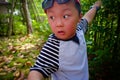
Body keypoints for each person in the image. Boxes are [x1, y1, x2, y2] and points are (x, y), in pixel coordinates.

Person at [28, 0, 101, 80]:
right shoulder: (53, 47)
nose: (58, 24)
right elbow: (37, 70)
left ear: (79, 17)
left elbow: (87, 18)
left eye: (65, 16)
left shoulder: (79, 29)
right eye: (52, 17)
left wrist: (95, 7)